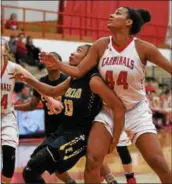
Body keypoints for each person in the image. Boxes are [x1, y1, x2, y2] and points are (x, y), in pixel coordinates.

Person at [39, 7, 172, 183]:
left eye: (118, 14)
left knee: (158, 162)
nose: (111, 15)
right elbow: (79, 71)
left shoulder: (143, 48)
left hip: (136, 110)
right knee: (93, 160)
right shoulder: (101, 45)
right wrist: (58, 64)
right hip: (108, 110)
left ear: (128, 22)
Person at [12, 44, 123, 184]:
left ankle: (110, 179)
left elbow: (119, 108)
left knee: (37, 168)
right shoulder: (72, 79)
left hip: (80, 135)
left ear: (89, 59)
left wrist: (115, 140)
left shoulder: (93, 80)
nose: (72, 53)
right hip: (61, 131)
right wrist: (28, 80)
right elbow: (52, 91)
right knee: (30, 171)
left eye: (79, 51)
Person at [14, 52, 77, 184]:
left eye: (52, 59)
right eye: (47, 60)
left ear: (59, 63)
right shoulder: (41, 82)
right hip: (51, 131)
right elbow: (32, 105)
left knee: (35, 167)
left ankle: (110, 178)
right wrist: (13, 107)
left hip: (68, 131)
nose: (49, 62)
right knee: (57, 169)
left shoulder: (68, 80)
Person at [0, 38, 36, 183]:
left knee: (9, 156)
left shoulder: (13, 68)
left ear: (5, 49)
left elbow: (35, 82)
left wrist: (51, 99)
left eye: (0, 44)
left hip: (6, 116)